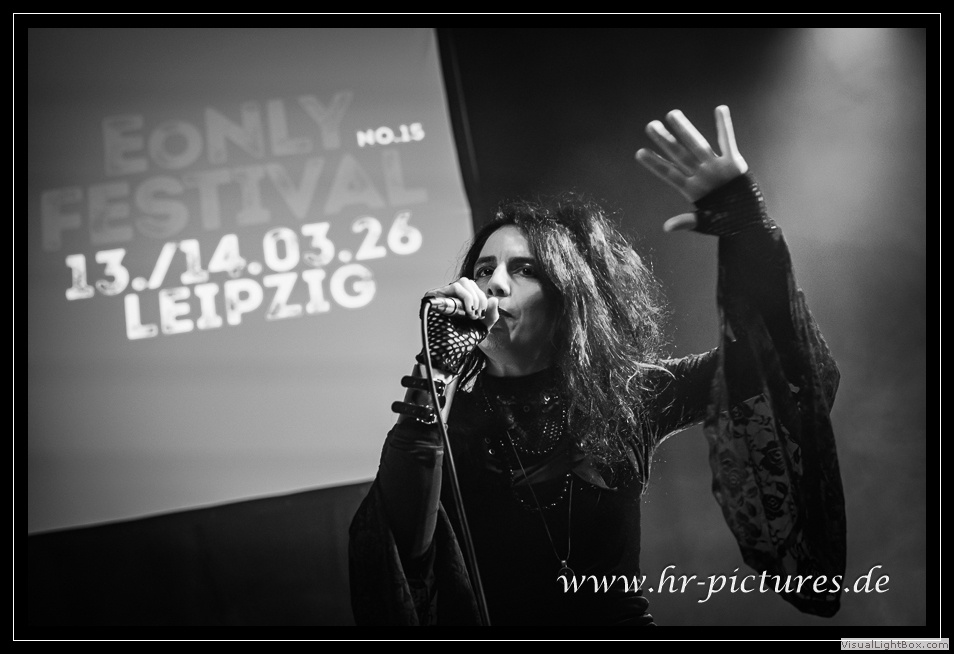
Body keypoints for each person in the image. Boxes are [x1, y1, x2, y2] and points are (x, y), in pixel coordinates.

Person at [348, 106, 845, 626]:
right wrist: (435, 370)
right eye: (483, 269)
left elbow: (792, 371)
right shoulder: (451, 423)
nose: (494, 283)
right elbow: (397, 557)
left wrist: (746, 224)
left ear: (568, 297)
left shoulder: (627, 394)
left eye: (524, 270)